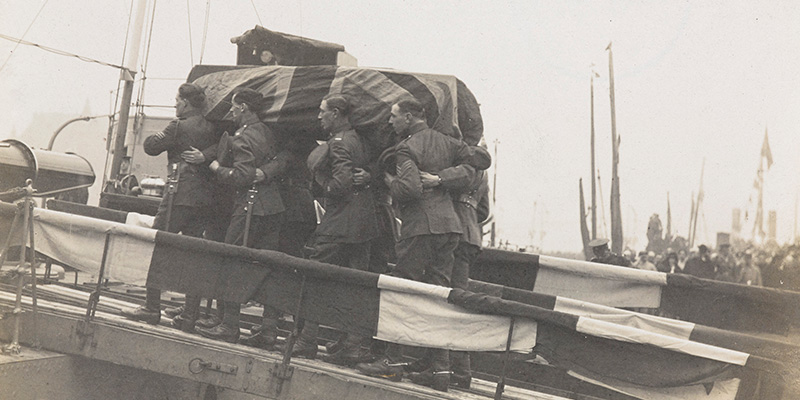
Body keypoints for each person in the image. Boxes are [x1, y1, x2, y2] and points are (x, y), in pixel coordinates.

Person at [356, 98, 491, 392]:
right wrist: (442, 179)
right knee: (440, 297)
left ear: (408, 117)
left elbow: (411, 189)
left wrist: (390, 180)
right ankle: (440, 370)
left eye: (393, 116)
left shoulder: (407, 147)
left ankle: (391, 362)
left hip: (421, 228)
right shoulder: (450, 144)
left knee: (402, 291)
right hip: (451, 229)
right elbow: (479, 165)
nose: (390, 122)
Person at [121, 83, 220, 329]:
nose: (175, 104)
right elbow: (222, 146)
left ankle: (151, 307)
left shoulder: (177, 126)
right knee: (194, 253)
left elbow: (151, 147)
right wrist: (207, 155)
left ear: (185, 103)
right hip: (204, 198)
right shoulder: (214, 129)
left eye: (177, 100)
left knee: (159, 246)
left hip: (179, 194)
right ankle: (189, 314)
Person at [289, 93, 380, 362]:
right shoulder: (360, 140)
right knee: (357, 284)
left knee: (315, 277)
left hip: (340, 222)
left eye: (323, 111)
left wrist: (319, 180)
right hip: (363, 223)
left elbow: (341, 184)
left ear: (337, 113)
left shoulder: (339, 143)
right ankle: (352, 345)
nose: (319, 116)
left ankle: (306, 340)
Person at [195, 88, 285, 343]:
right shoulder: (268, 132)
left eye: (234, 107)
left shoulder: (242, 138)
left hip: (250, 206)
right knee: (267, 266)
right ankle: (268, 329)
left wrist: (217, 168)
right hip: (273, 206)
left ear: (244, 107)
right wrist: (267, 171)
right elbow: (282, 159)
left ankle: (230, 325)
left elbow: (243, 176)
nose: (232, 111)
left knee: (232, 261)